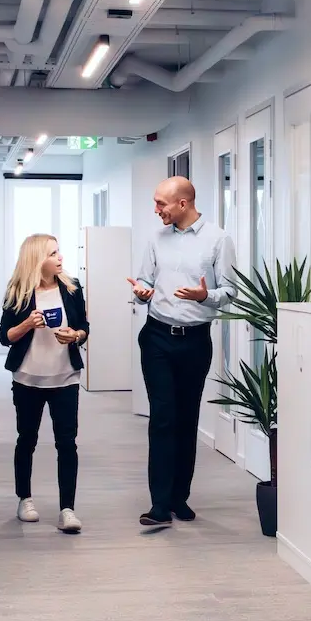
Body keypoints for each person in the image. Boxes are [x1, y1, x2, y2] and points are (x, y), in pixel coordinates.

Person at [126, 176, 236, 526]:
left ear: (183, 204)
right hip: (157, 336)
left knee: (187, 418)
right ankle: (159, 504)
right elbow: (144, 279)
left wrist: (206, 296)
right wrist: (142, 291)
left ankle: (179, 498)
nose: (156, 209)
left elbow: (231, 290)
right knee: (163, 417)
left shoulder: (218, 240)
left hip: (195, 340)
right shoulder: (156, 237)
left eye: (161, 203)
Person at [0, 234, 90, 533]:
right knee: (27, 439)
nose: (60, 257)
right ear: (38, 259)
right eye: (53, 253)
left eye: (59, 251)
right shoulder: (18, 292)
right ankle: (24, 499)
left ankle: (68, 509)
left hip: (65, 377)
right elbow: (4, 337)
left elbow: (84, 328)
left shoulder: (72, 288)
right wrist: (27, 324)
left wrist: (74, 335)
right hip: (27, 378)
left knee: (67, 443)